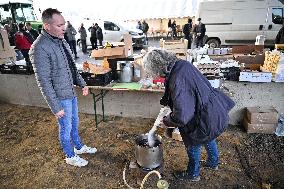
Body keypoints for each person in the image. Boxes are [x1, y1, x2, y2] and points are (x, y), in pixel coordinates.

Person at [143, 49, 235, 182]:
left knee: (194, 145)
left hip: (202, 119)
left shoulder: (177, 79)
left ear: (157, 68)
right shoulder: (181, 65)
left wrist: (167, 121)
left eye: (152, 72)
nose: (153, 75)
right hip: (213, 111)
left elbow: (182, 116)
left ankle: (193, 174)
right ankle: (213, 163)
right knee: (210, 137)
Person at [29, 8, 97, 167]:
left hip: (70, 93)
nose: (64, 28)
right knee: (65, 128)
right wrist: (56, 107)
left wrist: (82, 83)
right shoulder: (39, 48)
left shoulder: (62, 40)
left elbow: (71, 67)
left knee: (74, 123)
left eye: (64, 24)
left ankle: (78, 147)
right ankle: (70, 155)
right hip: (60, 98)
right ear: (47, 26)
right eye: (59, 25)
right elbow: (43, 81)